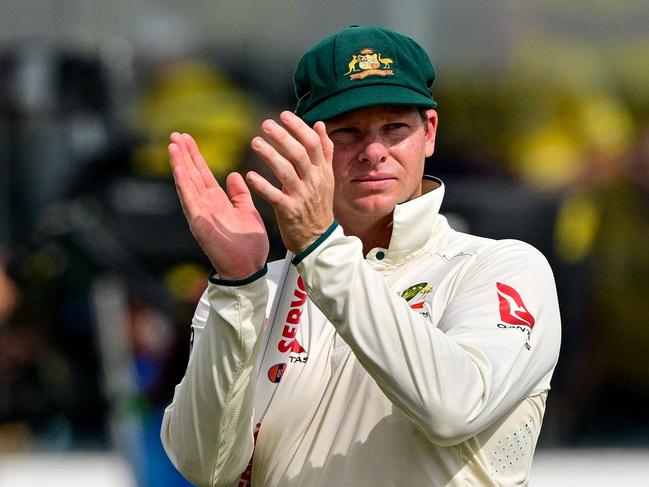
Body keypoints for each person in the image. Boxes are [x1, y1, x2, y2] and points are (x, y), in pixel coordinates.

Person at [161, 25, 561, 486]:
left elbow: (454, 407)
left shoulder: (501, 268)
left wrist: (319, 248)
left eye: (394, 128)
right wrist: (237, 284)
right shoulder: (255, 290)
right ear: (308, 146)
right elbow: (204, 467)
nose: (373, 152)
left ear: (428, 132)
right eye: (347, 132)